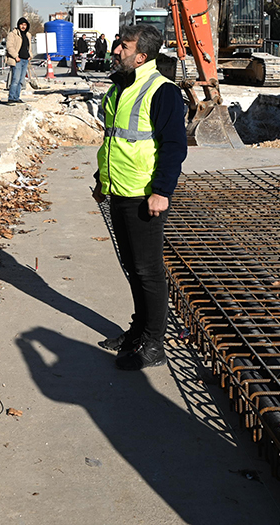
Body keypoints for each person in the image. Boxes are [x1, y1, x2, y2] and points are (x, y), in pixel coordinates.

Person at [91, 24, 188, 371]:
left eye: (124, 46)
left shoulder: (162, 91)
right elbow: (113, 140)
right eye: (118, 44)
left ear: (142, 56)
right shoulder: (119, 87)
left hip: (144, 195)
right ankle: (139, 331)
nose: (117, 50)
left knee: (148, 271)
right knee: (132, 267)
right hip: (119, 189)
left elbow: (174, 146)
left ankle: (154, 344)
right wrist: (102, 180)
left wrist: (161, 191)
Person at [4, 17, 31, 103]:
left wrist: (30, 55)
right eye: (21, 24)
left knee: (21, 80)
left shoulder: (28, 35)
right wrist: (16, 56)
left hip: (25, 60)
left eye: (25, 25)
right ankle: (11, 98)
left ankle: (16, 97)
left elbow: (29, 47)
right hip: (17, 60)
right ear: (18, 25)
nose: (23, 26)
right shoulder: (13, 34)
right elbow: (9, 46)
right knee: (15, 79)